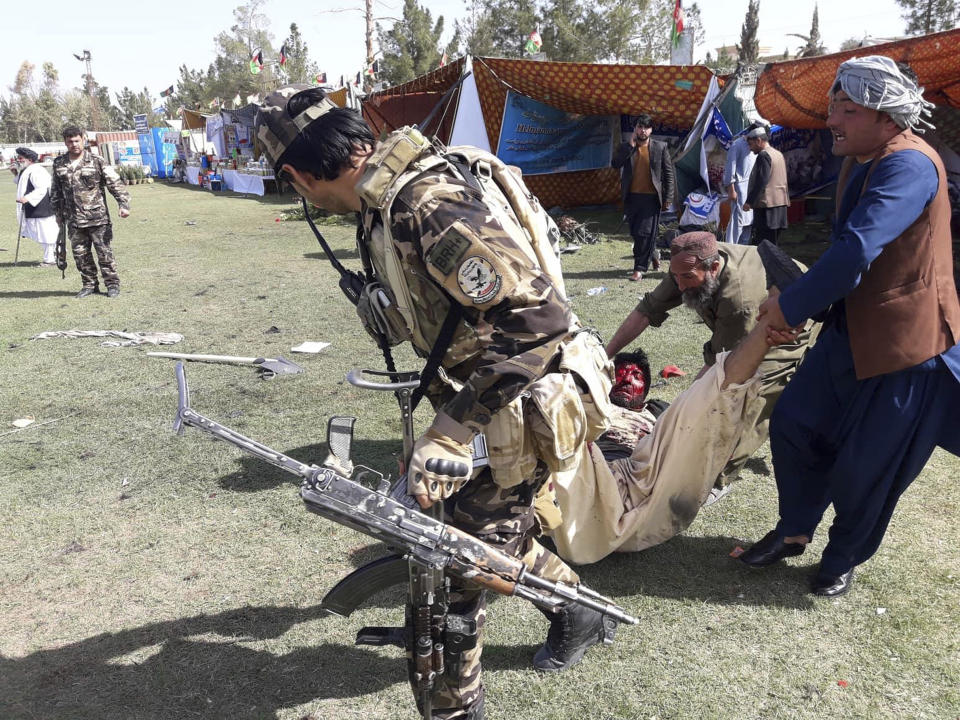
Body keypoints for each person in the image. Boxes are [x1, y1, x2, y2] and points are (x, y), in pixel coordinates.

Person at [255, 85, 619, 720]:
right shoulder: (380, 204)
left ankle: (453, 709)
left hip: (524, 398)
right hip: (485, 395)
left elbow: (537, 320)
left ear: (296, 176)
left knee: (451, 561)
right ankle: (577, 609)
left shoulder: (425, 203)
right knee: (477, 536)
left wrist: (450, 431)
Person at [742, 56, 960, 598]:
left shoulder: (908, 165)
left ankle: (841, 558)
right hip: (848, 331)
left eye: (847, 109)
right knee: (794, 423)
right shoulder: (862, 155)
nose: (832, 118)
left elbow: (860, 247)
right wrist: (802, 296)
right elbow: (849, 251)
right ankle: (794, 529)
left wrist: (790, 307)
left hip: (905, 344)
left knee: (869, 466)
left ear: (888, 119)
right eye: (834, 106)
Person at [551, 300, 801, 563]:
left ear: (646, 391)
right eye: (621, 376)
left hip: (645, 470)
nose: (626, 380)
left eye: (635, 376)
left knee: (706, 399)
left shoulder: (658, 411)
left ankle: (768, 328)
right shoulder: (596, 405)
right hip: (587, 468)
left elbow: (686, 433)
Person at [604, 231, 818, 497]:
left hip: (792, 320)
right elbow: (646, 311)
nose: (680, 286)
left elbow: (724, 368)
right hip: (743, 314)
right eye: (676, 277)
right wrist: (604, 355)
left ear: (713, 268)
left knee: (753, 393)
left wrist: (682, 413)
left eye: (687, 279)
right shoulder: (686, 266)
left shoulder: (737, 299)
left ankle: (719, 478)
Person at [50, 126, 131, 298]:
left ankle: (112, 285)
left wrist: (123, 204)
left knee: (104, 253)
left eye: (77, 140)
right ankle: (89, 285)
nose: (74, 144)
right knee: (81, 255)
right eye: (70, 141)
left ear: (84, 139)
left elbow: (114, 183)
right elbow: (56, 190)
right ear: (65, 142)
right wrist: (57, 213)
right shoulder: (59, 163)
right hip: (73, 220)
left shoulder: (96, 160)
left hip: (97, 218)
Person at [612, 114, 675, 281]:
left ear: (651, 130)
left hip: (651, 198)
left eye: (646, 127)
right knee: (635, 232)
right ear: (635, 129)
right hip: (632, 197)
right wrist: (630, 146)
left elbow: (668, 173)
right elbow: (615, 164)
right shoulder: (627, 147)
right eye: (640, 127)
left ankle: (639, 268)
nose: (643, 130)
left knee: (643, 233)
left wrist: (668, 197)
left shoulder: (660, 147)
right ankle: (653, 254)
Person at [14, 148, 59, 267]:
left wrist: (28, 198)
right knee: (39, 233)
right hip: (33, 208)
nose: (18, 160)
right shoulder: (27, 170)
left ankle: (50, 259)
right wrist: (15, 173)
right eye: (18, 158)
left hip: (41, 208)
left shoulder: (37, 171)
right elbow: (23, 184)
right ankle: (55, 255)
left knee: (46, 233)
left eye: (20, 158)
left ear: (29, 159)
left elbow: (42, 188)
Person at [743, 126, 788, 245]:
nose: (750, 149)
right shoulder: (778, 154)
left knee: (764, 245)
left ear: (759, 140)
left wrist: (749, 201)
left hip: (767, 208)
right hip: (780, 206)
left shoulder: (763, 155)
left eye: (751, 144)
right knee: (773, 244)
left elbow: (762, 180)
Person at [722, 128, 757, 244]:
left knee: (749, 222)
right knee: (737, 222)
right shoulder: (737, 145)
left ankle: (744, 248)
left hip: (751, 188)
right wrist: (731, 189)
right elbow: (730, 168)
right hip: (740, 188)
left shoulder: (756, 146)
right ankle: (732, 249)